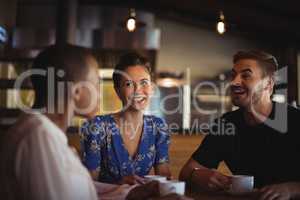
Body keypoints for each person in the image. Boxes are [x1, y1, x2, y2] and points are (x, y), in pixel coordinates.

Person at [0, 45, 177, 200]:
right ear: (77, 92)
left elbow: (79, 190)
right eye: (95, 82)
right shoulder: (39, 137)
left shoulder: (45, 133)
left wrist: (128, 193)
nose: (99, 93)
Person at [179, 50, 300, 200]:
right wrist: (196, 175)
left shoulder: (295, 121)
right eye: (234, 75)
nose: (234, 82)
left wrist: (291, 189)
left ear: (268, 84)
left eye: (246, 75)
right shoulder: (226, 124)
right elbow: (185, 172)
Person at [81, 52, 172, 185]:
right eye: (129, 84)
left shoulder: (159, 127)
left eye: (144, 83)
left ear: (151, 87)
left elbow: (165, 178)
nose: (138, 90)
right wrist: (119, 184)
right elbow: (87, 186)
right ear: (117, 90)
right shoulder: (97, 126)